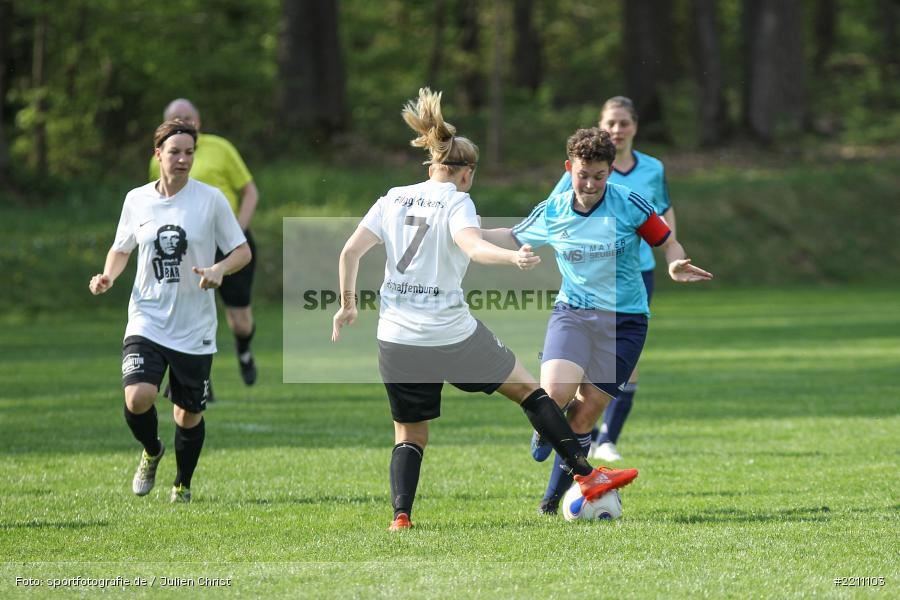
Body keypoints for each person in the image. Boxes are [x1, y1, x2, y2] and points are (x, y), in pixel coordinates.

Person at [331, 88, 638, 531]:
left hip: (396, 337)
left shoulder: (392, 197)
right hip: (451, 333)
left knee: (409, 433)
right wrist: (512, 258)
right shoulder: (458, 200)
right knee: (530, 392)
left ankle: (401, 517)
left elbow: (348, 252)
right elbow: (472, 246)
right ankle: (587, 475)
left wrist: (346, 307)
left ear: (431, 163)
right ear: (466, 172)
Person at [483, 127, 711, 515]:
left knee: (586, 412)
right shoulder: (553, 209)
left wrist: (674, 261)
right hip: (573, 313)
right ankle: (545, 427)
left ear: (610, 172)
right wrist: (460, 233)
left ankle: (552, 501)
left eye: (599, 176)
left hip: (626, 322)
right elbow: (510, 234)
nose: (590, 184)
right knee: (553, 394)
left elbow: (666, 240)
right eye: (582, 174)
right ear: (569, 167)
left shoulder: (629, 204)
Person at [91, 120, 251, 503]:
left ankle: (182, 483)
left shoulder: (211, 199)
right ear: (158, 154)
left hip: (194, 324)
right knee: (138, 397)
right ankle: (151, 449)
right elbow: (122, 247)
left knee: (188, 415)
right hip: (146, 316)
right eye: (175, 152)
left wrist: (218, 270)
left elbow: (241, 251)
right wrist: (109, 276)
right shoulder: (137, 200)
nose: (183, 159)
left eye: (189, 152)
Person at [545, 96, 676, 462]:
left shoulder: (652, 168)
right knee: (571, 367)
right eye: (611, 124)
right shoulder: (585, 171)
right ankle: (562, 417)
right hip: (589, 278)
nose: (617, 130)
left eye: (624, 123)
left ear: (634, 126)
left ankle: (607, 438)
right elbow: (556, 213)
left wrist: (670, 254)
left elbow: (663, 214)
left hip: (637, 272)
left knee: (626, 364)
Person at [150, 98, 260, 388]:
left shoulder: (220, 148)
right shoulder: (160, 159)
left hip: (229, 241)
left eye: (188, 117)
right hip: (187, 245)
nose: (184, 123)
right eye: (177, 119)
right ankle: (200, 377)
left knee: (239, 319)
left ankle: (244, 351)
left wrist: (238, 230)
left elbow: (250, 191)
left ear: (198, 120)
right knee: (189, 310)